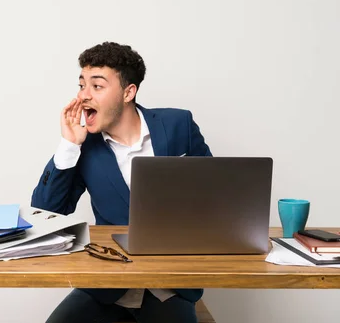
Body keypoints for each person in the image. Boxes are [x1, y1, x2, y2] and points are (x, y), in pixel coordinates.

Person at [31, 41, 212, 323]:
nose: (83, 96)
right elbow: (45, 213)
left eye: (97, 86)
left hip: (169, 285)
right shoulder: (84, 146)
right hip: (108, 285)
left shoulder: (179, 125)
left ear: (129, 92)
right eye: (81, 85)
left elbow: (214, 195)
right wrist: (68, 145)